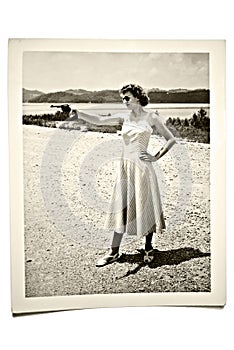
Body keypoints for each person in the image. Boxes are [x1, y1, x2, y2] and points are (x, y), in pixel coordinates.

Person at [74, 84, 176, 267]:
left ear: (137, 97)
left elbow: (171, 139)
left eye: (127, 98)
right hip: (125, 166)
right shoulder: (124, 117)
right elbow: (98, 120)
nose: (124, 101)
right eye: (122, 98)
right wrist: (78, 112)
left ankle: (148, 247)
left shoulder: (151, 117)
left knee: (146, 206)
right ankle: (114, 252)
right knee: (121, 207)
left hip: (143, 168)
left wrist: (156, 156)